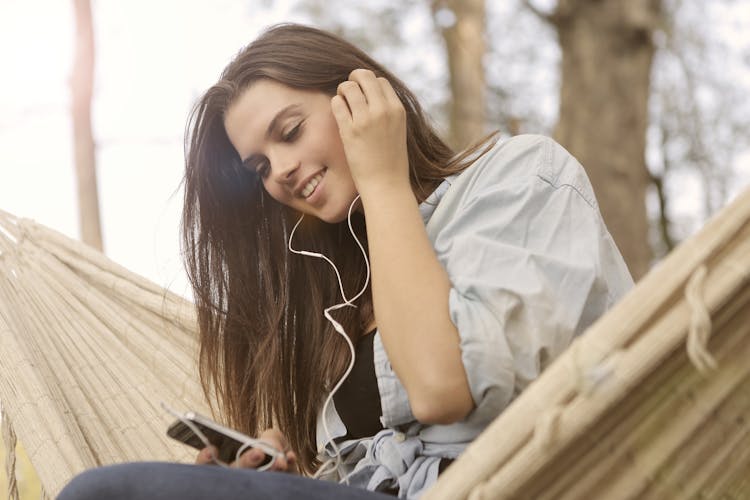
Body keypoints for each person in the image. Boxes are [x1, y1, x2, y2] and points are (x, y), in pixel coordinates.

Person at [57, 23, 633, 500]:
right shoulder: (339, 293)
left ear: (360, 98)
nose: (279, 170)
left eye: (290, 132)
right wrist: (284, 481)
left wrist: (383, 180)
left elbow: (439, 389)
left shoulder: (518, 176)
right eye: (259, 166)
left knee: (109, 495)